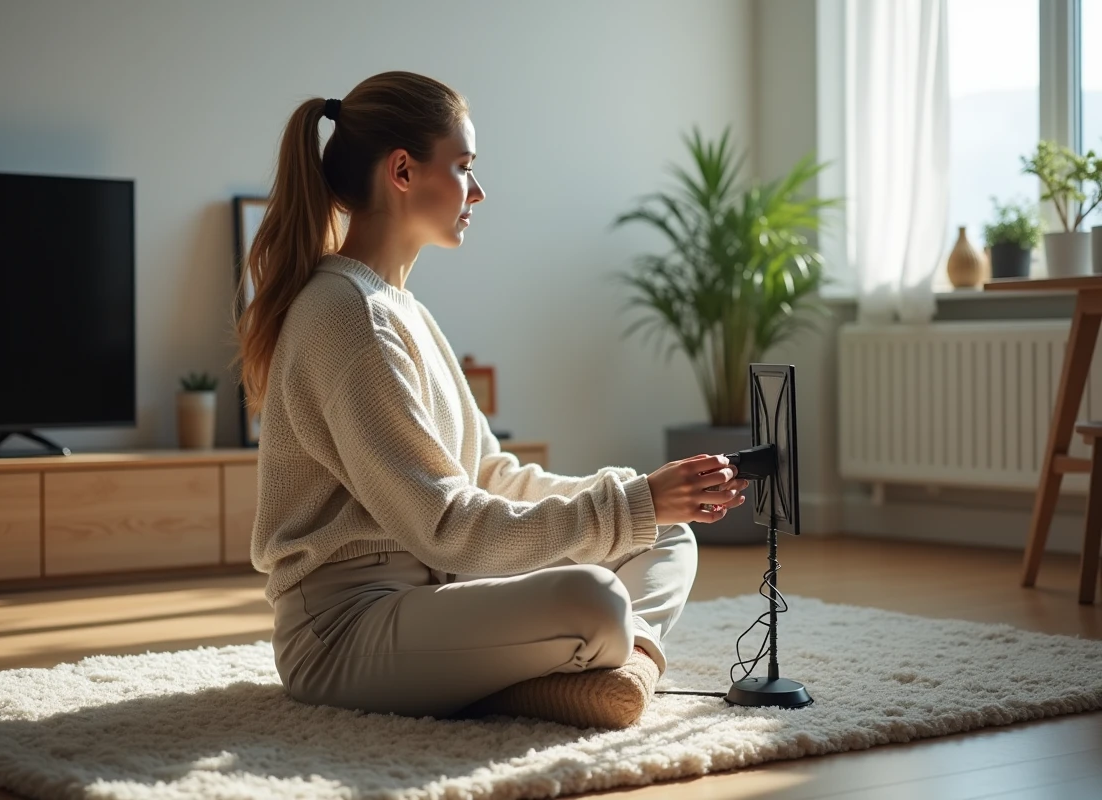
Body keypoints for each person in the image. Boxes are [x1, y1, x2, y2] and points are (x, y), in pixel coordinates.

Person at [235, 70, 748, 730]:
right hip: (343, 632)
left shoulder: (402, 310)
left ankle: (625, 669)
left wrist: (637, 497)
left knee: (667, 533)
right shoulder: (347, 316)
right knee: (594, 600)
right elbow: (447, 526)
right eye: (464, 167)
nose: (478, 191)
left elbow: (489, 475)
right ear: (402, 171)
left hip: (442, 590)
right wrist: (628, 505)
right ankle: (586, 663)